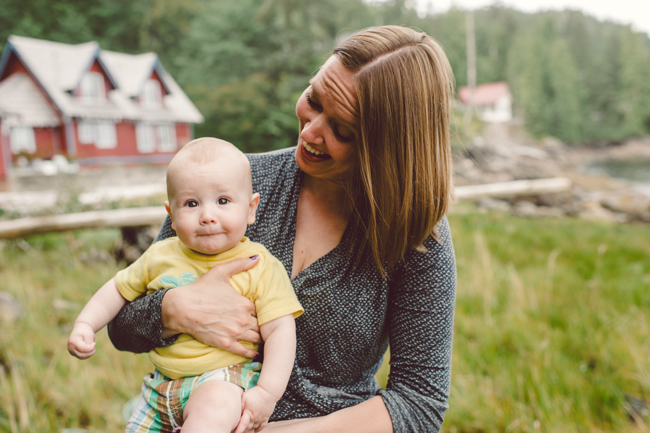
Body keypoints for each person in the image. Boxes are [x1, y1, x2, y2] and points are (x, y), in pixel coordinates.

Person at [108, 25, 457, 433]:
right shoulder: (229, 188)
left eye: (341, 129)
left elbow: (419, 404)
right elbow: (121, 328)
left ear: (387, 145)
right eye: (313, 99)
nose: (310, 131)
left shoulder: (416, 234)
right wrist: (172, 310)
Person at [68, 138, 303, 433]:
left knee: (212, 414)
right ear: (172, 216)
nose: (207, 216)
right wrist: (85, 325)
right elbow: (117, 289)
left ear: (251, 208)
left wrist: (267, 393)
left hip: (223, 380)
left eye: (223, 201)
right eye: (191, 204)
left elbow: (281, 330)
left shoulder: (259, 264)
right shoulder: (161, 255)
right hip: (159, 388)